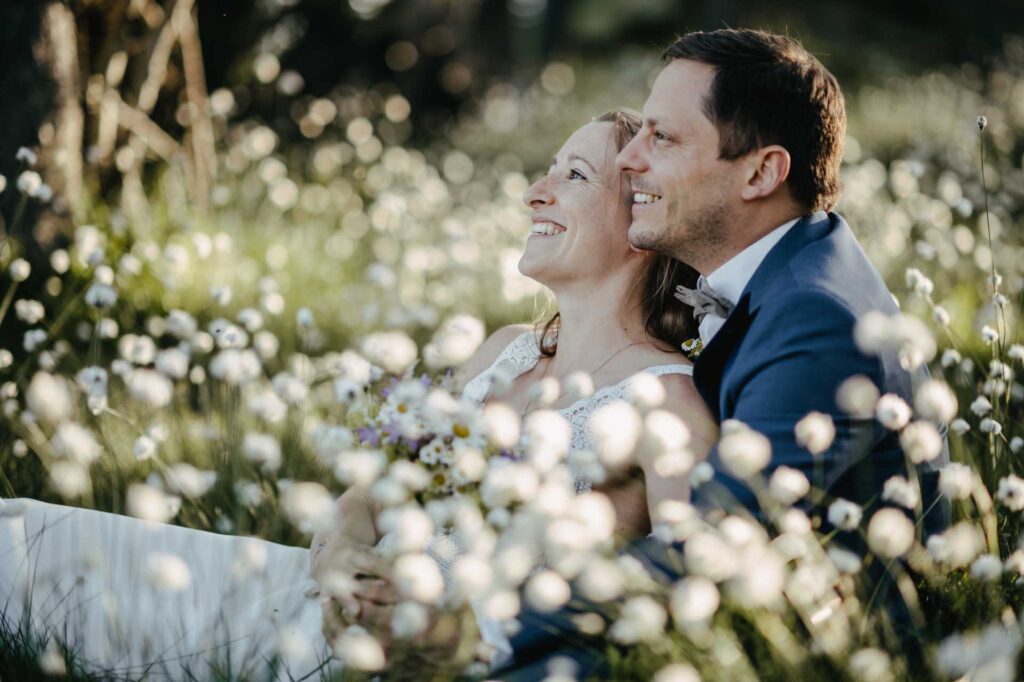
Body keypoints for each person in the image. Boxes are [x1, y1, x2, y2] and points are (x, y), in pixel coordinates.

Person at [491, 28, 951, 680]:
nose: (630, 160)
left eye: (663, 138)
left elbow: (717, 544)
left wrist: (494, 617)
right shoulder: (789, 274)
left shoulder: (817, 321)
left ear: (761, 172)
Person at [310, 109, 718, 673]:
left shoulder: (667, 404)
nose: (534, 193)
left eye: (575, 175)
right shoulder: (504, 352)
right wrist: (340, 560)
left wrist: (450, 640)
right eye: (550, 169)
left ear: (642, 219)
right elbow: (368, 495)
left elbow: (688, 603)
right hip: (334, 619)